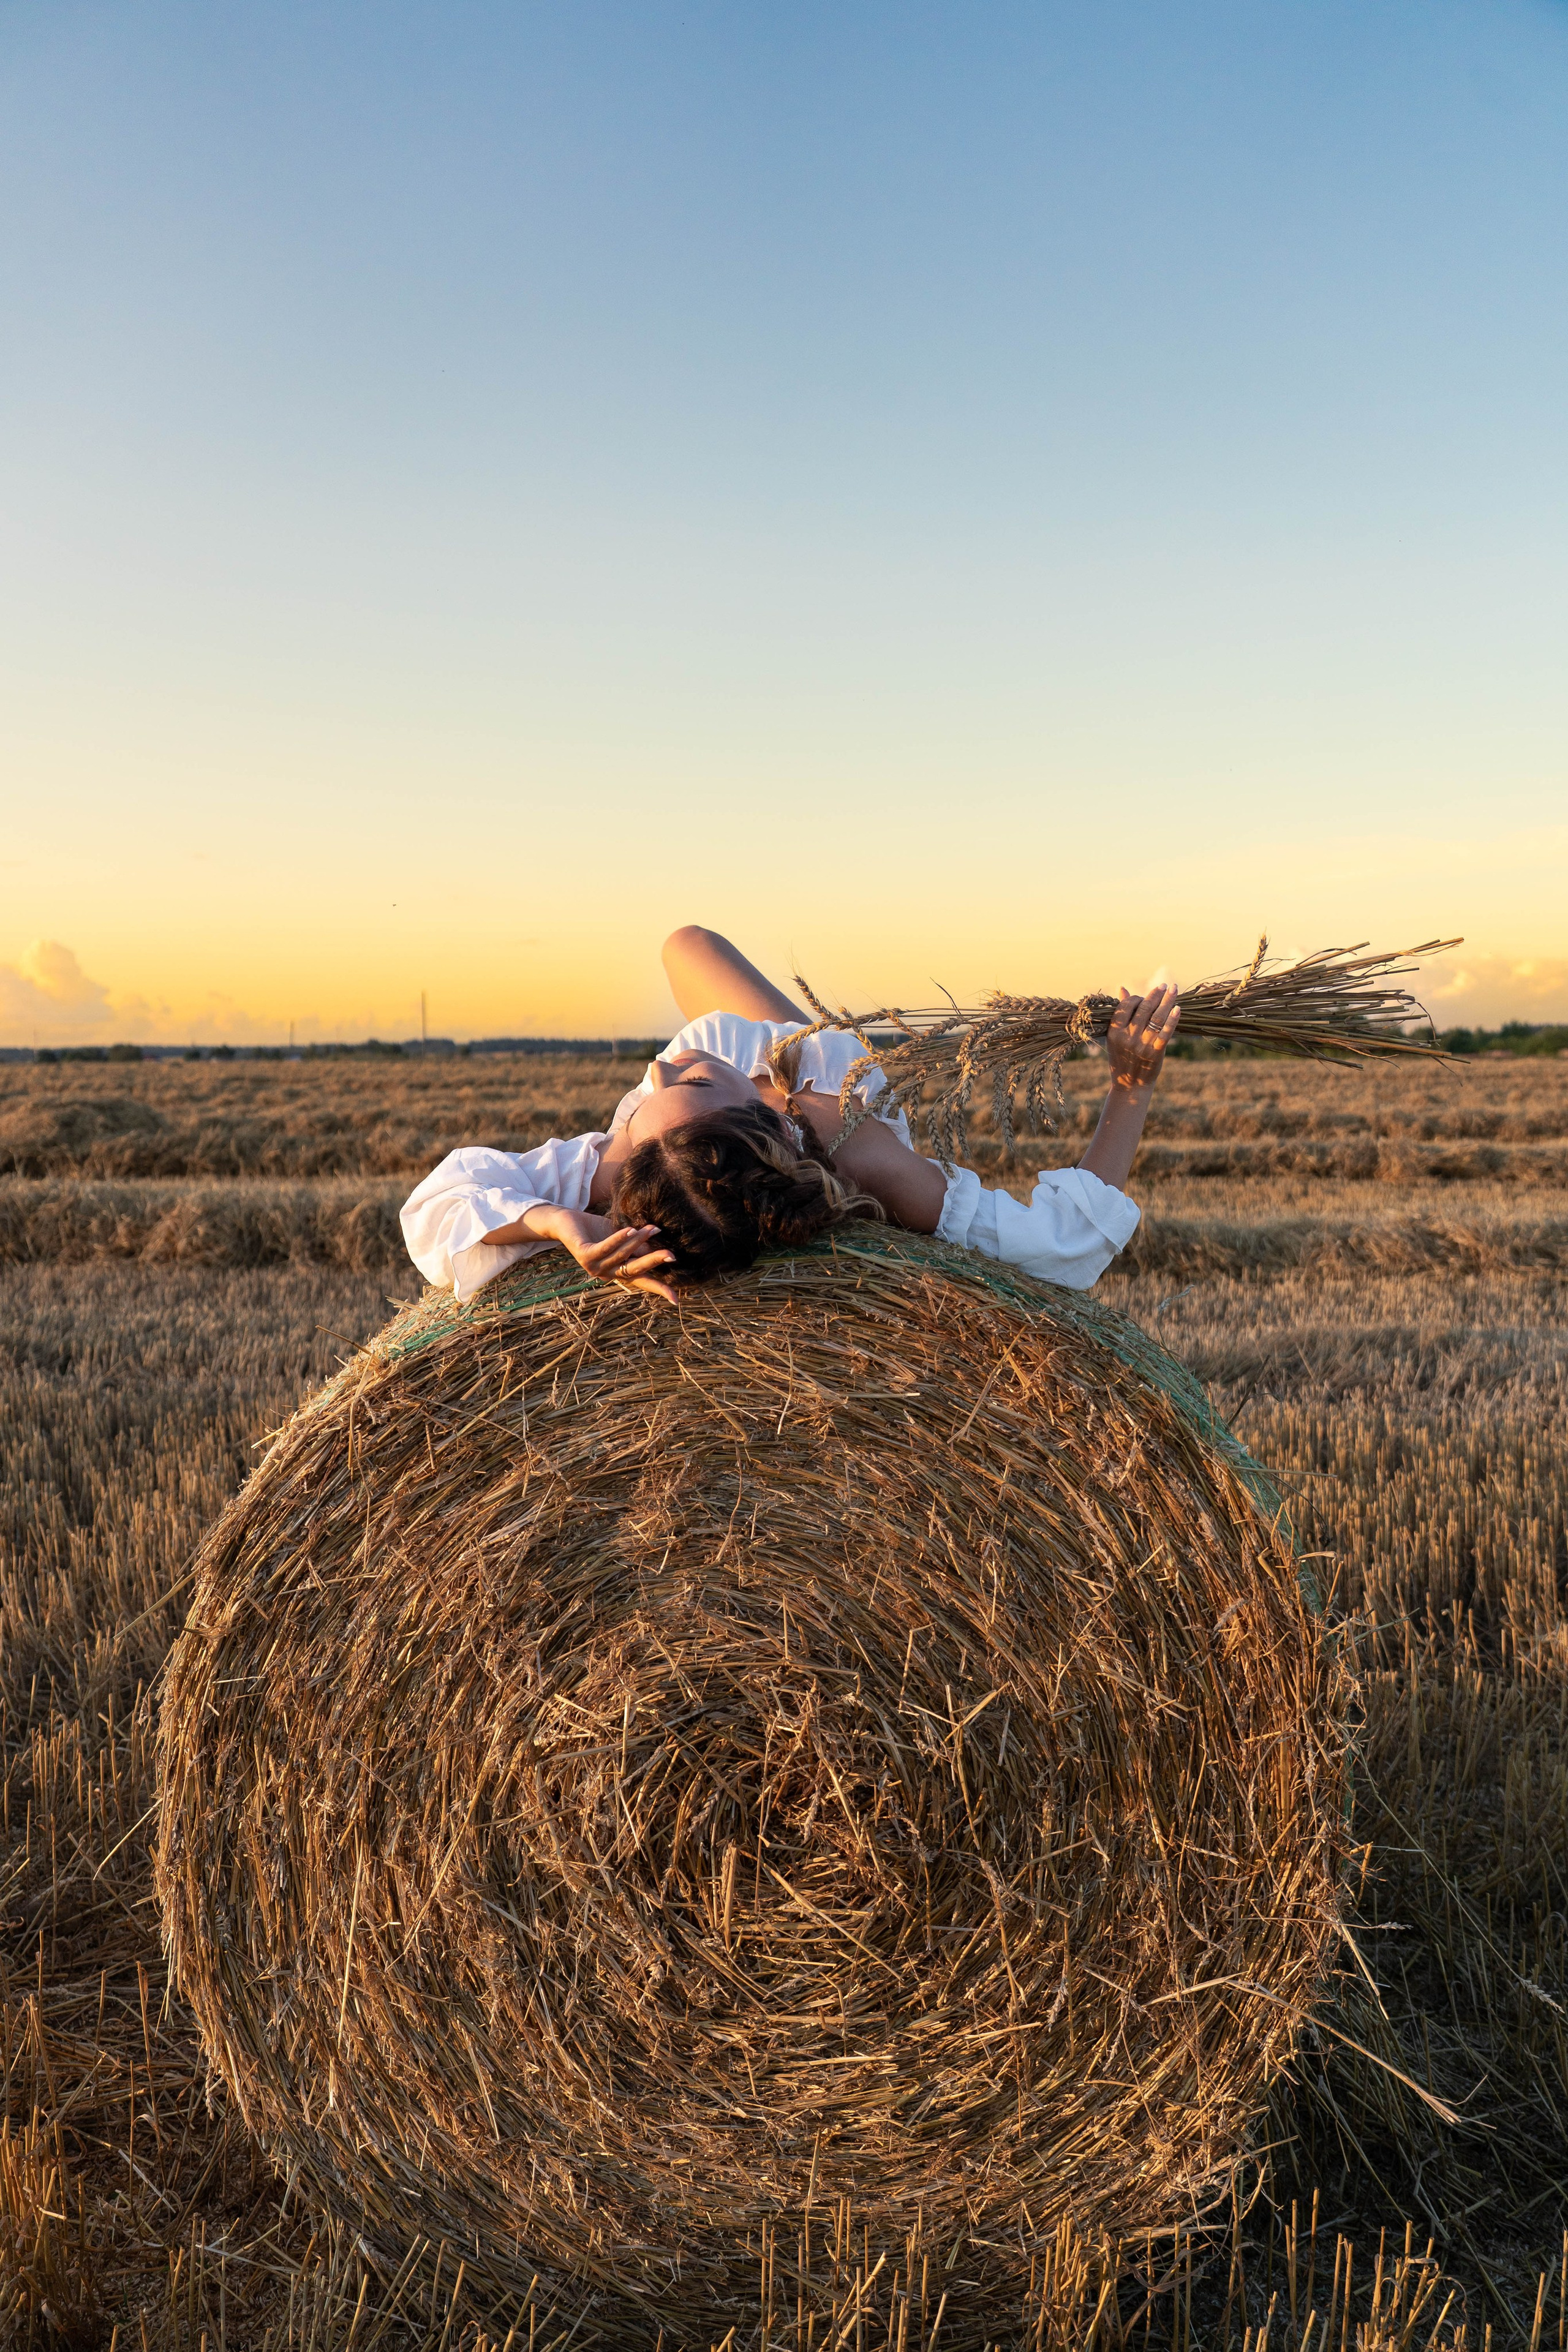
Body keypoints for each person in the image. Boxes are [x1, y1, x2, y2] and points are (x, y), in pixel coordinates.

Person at [400, 924, 1181, 1306]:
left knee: (686, 943)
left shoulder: (616, 1166)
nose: (659, 1062)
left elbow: (437, 1201)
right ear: (766, 1118)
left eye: (653, 1091)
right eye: (687, 1083)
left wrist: (557, 1225)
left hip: (751, 1079)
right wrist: (1129, 1081)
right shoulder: (860, 1146)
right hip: (815, 1064)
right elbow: (1062, 1248)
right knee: (702, 957)